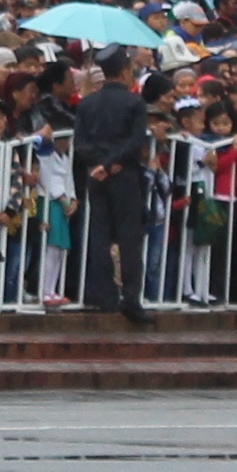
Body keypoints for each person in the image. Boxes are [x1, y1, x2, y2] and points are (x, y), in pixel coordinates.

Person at [72, 52, 153, 322]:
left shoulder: (87, 103)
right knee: (129, 237)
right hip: (123, 173)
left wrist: (99, 165)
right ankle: (131, 297)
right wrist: (112, 163)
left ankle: (104, 294)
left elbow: (80, 143)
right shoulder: (134, 102)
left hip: (96, 175)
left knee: (100, 234)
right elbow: (136, 140)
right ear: (125, 71)